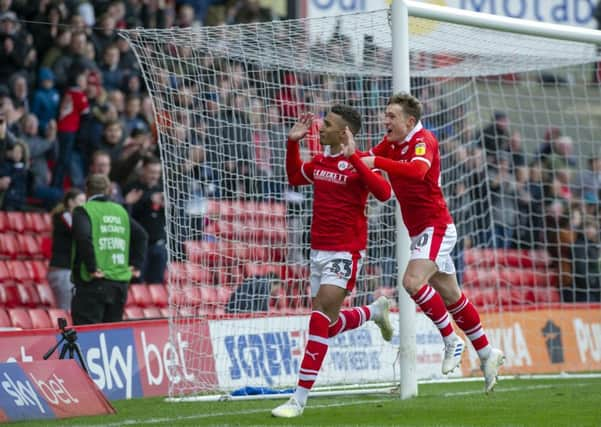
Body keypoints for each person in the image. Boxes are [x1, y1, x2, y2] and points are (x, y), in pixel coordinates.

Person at [362, 93, 504, 393]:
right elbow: (366, 162)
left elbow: (417, 171)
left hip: (436, 226)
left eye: (391, 116)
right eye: (385, 115)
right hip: (420, 232)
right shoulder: (390, 144)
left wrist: (376, 161)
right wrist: (348, 156)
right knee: (453, 295)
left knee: (412, 282)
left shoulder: (423, 139)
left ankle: (451, 339)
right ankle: (487, 353)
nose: (385, 120)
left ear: (409, 121)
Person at [271, 105, 393, 418]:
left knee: (318, 316)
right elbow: (297, 178)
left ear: (343, 133)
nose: (320, 127)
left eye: (326, 124)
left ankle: (298, 399)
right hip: (318, 251)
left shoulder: (361, 161)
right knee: (327, 323)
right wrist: (292, 144)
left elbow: (383, 192)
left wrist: (354, 157)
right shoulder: (322, 160)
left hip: (346, 251)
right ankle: (372, 312)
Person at [71, 174, 148, 325]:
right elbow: (142, 236)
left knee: (88, 336)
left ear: (86, 190)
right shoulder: (120, 211)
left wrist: (92, 268)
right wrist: (136, 265)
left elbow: (83, 238)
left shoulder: (84, 210)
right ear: (108, 190)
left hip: (93, 282)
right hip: (119, 284)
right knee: (111, 335)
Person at [48, 188, 86, 310]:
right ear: (70, 202)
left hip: (67, 270)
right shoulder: (64, 216)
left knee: (71, 308)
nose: (84, 205)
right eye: (81, 201)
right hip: (62, 270)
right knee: (67, 309)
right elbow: (79, 232)